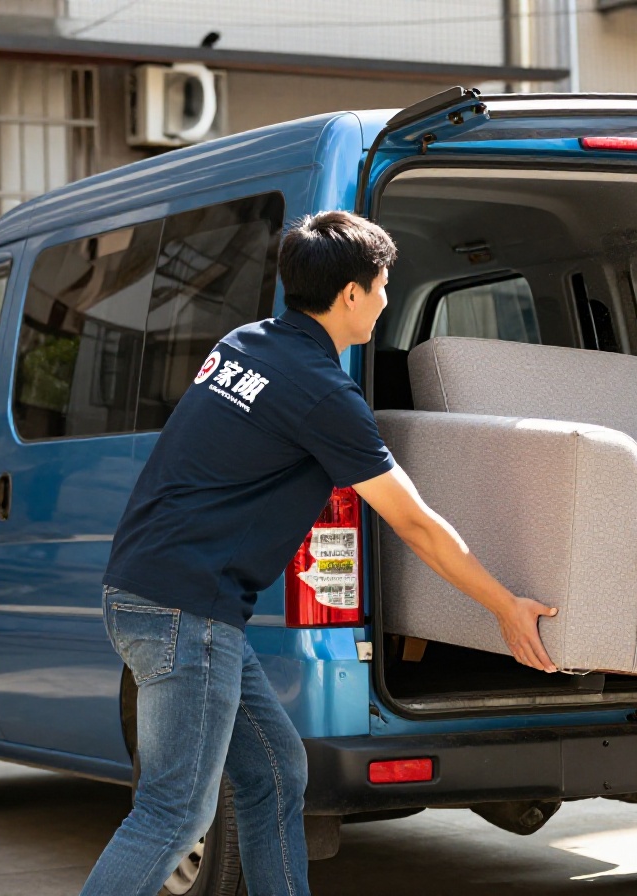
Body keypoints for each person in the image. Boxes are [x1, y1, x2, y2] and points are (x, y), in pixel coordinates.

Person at [84, 211, 558, 896]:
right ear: (351, 297)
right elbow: (415, 524)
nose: (388, 299)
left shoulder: (244, 344)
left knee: (276, 770)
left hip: (150, 594)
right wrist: (505, 607)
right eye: (384, 285)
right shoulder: (323, 394)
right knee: (174, 812)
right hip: (187, 612)